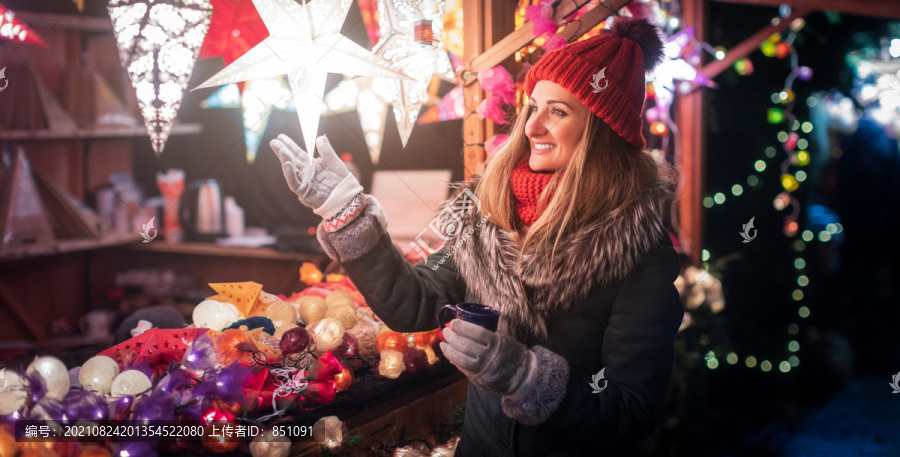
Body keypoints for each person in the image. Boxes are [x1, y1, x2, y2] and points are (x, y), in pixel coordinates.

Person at [270, 15, 683, 456]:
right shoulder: (489, 210)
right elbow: (415, 303)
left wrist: (526, 377)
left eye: (557, 111)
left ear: (600, 130)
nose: (532, 126)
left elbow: (632, 412)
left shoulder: (638, 250)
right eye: (534, 106)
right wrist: (345, 212)